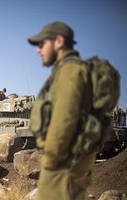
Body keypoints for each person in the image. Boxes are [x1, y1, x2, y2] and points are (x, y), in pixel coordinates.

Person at [28, 22, 96, 200]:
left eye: (42, 44)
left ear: (58, 41)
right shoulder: (65, 71)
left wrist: (51, 160)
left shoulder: (69, 71)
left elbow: (66, 118)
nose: (38, 49)